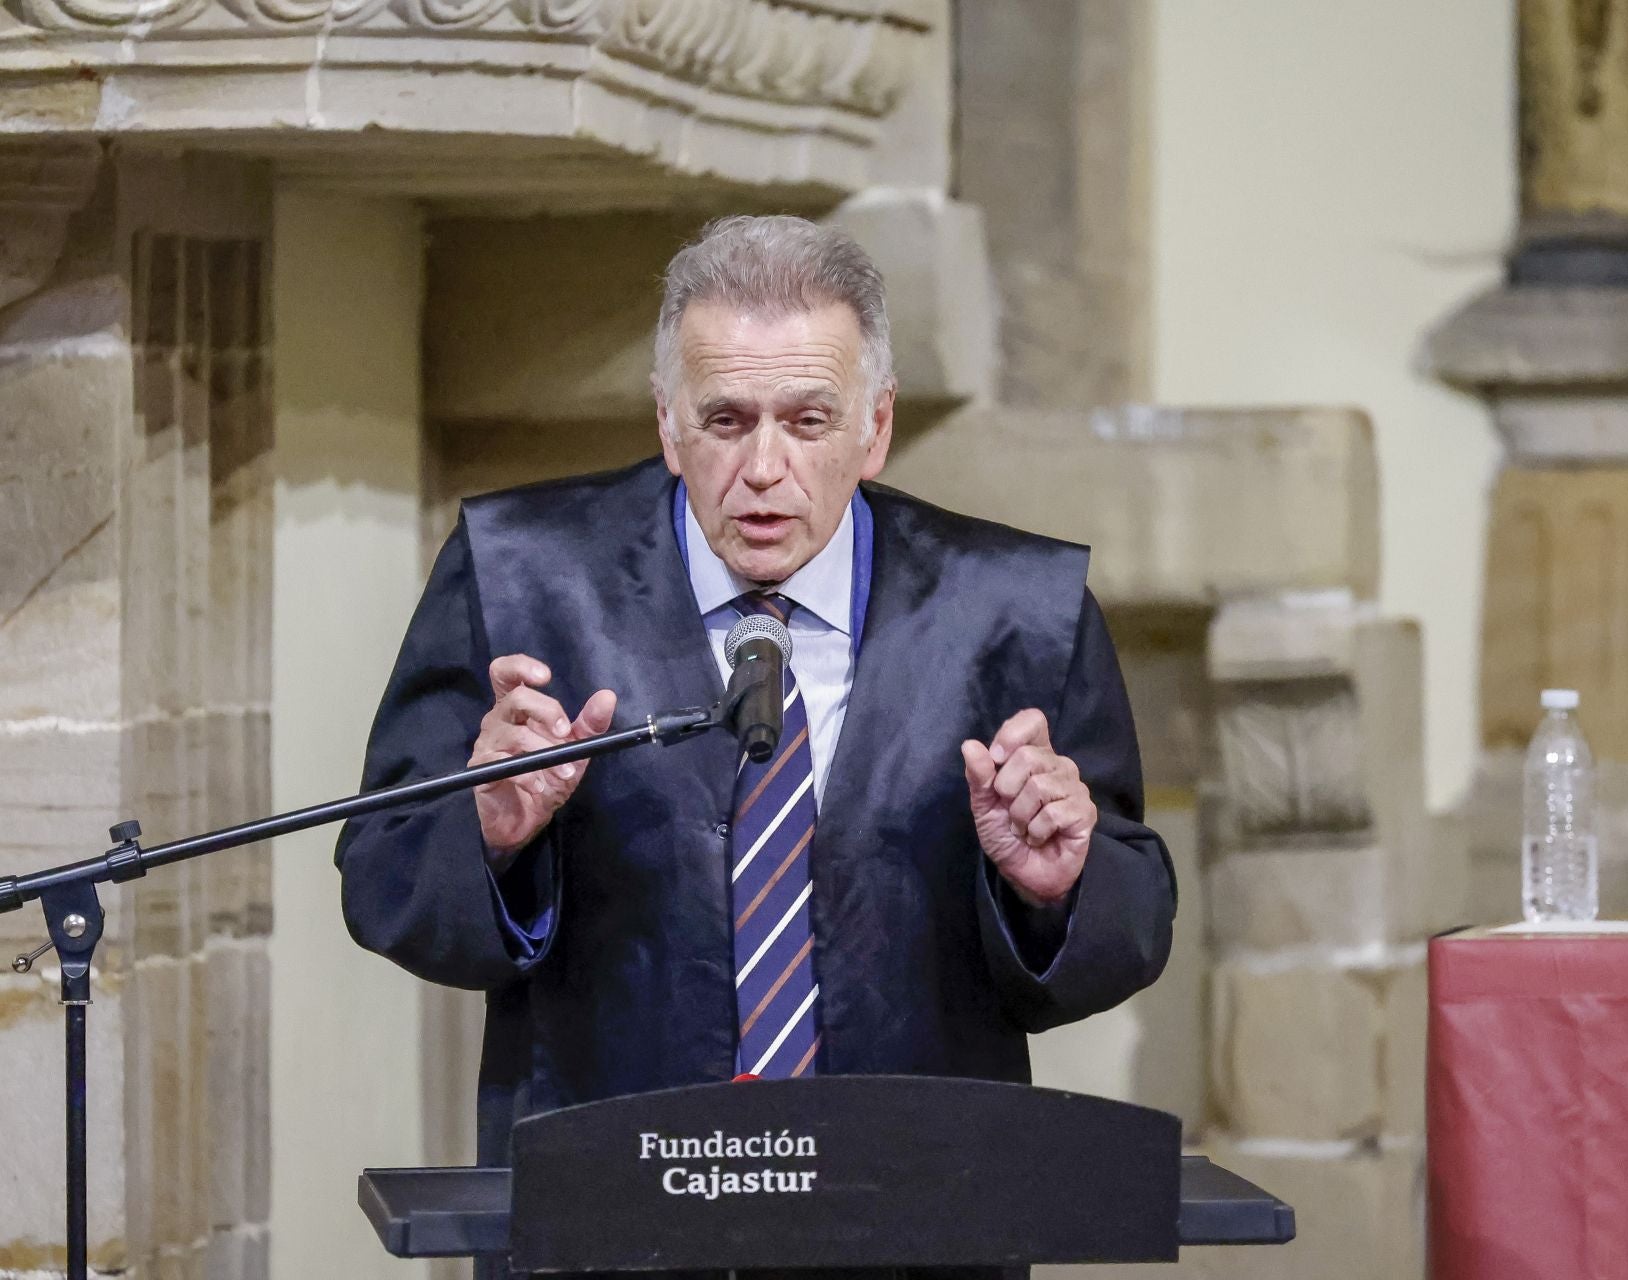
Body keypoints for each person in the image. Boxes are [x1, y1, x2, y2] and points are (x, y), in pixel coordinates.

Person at [335, 216, 1175, 1169]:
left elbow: (1135, 917)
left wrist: (1059, 889)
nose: (763, 469)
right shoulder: (520, 579)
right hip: (609, 1211)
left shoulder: (1019, 611)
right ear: (668, 422)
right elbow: (381, 874)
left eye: (808, 420)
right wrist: (485, 833)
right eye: (726, 420)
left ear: (875, 427)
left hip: (912, 1212)